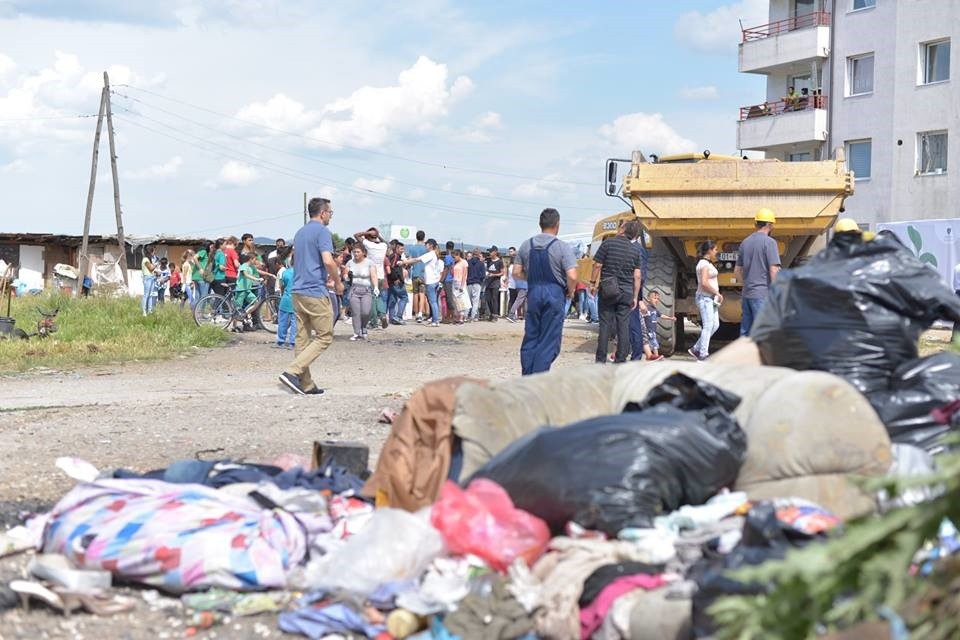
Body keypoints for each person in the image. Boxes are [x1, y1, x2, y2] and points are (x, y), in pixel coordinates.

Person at [279, 197, 343, 396]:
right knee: (325, 336)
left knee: (302, 337)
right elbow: (328, 261)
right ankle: (292, 371)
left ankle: (306, 384)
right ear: (323, 213)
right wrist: (338, 282)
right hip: (315, 290)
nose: (331, 216)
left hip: (297, 290)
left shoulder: (300, 232)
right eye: (330, 212)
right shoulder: (323, 232)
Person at [514, 208, 578, 375]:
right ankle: (538, 380)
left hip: (534, 293)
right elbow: (572, 276)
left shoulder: (526, 245)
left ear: (540, 224)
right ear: (557, 225)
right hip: (555, 293)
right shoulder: (562, 247)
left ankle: (527, 376)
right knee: (549, 340)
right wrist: (570, 291)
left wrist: (531, 279)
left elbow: (515, 272)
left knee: (531, 336)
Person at [592, 220, 643, 363]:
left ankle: (600, 360)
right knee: (623, 326)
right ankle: (621, 358)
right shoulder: (636, 250)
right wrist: (635, 296)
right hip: (626, 292)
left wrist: (592, 283)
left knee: (605, 325)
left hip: (608, 290)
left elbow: (597, 265)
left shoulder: (608, 243)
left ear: (622, 229)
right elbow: (637, 276)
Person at [735, 208, 781, 336]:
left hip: (747, 294)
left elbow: (737, 270)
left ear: (756, 224)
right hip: (762, 295)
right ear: (769, 225)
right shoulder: (770, 243)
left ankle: (744, 355)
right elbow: (773, 269)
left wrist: (746, 284)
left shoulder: (745, 242)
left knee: (745, 332)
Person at [689, 240, 723, 360]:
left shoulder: (707, 263)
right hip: (705, 298)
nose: (716, 252)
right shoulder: (703, 264)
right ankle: (703, 353)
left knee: (715, 325)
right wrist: (717, 293)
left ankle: (696, 348)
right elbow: (703, 283)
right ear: (709, 250)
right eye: (715, 250)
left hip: (710, 298)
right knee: (708, 326)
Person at [401, 238, 442, 326]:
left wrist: (404, 262)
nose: (425, 246)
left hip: (431, 281)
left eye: (426, 244)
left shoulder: (430, 254)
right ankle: (435, 319)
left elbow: (417, 260)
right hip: (433, 280)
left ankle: (435, 320)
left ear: (430, 245)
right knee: (433, 301)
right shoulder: (433, 254)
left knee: (433, 301)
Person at [354, 227, 388, 329]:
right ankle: (382, 315)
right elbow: (386, 242)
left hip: (371, 276)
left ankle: (374, 322)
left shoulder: (368, 245)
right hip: (381, 276)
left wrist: (368, 232)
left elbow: (356, 235)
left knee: (371, 298)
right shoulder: (383, 245)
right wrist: (377, 234)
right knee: (379, 297)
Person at [346, 243, 378, 341]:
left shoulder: (369, 263)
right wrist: (347, 277)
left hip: (366, 290)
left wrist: (376, 287)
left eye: (358, 252)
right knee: (356, 313)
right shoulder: (350, 263)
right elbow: (345, 275)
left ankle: (363, 327)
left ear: (363, 253)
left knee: (366, 312)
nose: (356, 254)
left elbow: (373, 275)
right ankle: (356, 332)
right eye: (354, 252)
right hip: (354, 290)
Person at [634, 290, 676, 361]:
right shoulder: (646, 308)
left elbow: (661, 315)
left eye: (657, 299)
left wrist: (670, 318)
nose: (656, 300)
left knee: (652, 343)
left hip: (653, 330)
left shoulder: (655, 310)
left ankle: (652, 356)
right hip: (647, 330)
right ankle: (655, 356)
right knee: (653, 343)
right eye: (654, 298)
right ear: (648, 299)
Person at [276, 250, 296, 349]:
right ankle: (293, 342)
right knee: (295, 322)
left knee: (282, 321)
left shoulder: (286, 272)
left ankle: (280, 341)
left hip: (286, 299)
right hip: (298, 301)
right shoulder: (303, 273)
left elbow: (281, 286)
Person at [386, 240, 409, 324]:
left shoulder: (395, 256)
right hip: (396, 282)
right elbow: (391, 268)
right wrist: (395, 278)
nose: (402, 251)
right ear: (396, 248)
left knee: (393, 300)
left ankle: (392, 318)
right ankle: (398, 316)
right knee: (404, 297)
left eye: (403, 249)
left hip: (391, 282)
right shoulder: (395, 256)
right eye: (401, 249)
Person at [483, 247, 504, 321]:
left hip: (495, 282)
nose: (490, 253)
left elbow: (502, 272)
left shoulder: (500, 262)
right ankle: (491, 313)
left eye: (491, 252)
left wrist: (494, 275)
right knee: (488, 299)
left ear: (495, 252)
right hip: (488, 282)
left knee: (494, 299)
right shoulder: (488, 261)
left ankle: (495, 315)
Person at [466, 250, 485, 321]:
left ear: (473, 254)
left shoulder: (468, 262)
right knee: (476, 301)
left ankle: (466, 315)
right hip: (477, 282)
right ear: (478, 255)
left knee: (468, 300)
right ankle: (473, 316)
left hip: (469, 282)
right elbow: (483, 275)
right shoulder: (481, 263)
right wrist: (480, 280)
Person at [452, 249, 469, 324]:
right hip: (455, 282)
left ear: (458, 255)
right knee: (455, 300)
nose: (454, 258)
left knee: (461, 300)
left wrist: (462, 285)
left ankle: (461, 317)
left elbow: (465, 274)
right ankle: (457, 316)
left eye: (455, 256)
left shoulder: (464, 262)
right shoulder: (455, 263)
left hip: (460, 282)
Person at [441, 241, 457, 323]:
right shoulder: (452, 258)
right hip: (450, 279)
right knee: (448, 298)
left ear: (446, 248)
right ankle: (449, 316)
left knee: (449, 298)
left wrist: (441, 279)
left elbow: (446, 269)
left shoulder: (447, 257)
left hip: (447, 280)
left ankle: (453, 316)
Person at [140, 245, 157, 316]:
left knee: (150, 295)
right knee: (146, 295)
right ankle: (144, 311)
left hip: (151, 277)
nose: (154, 253)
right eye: (153, 252)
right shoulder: (145, 260)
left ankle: (149, 310)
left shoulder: (149, 260)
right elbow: (151, 268)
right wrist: (156, 264)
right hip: (147, 278)